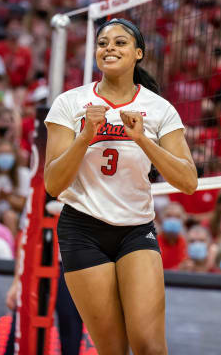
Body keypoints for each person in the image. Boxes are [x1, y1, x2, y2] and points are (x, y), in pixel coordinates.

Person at [44, 18, 197, 355]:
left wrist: (143, 139)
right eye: (102, 43)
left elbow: (188, 181)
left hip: (135, 229)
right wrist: (85, 136)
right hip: (82, 228)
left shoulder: (159, 109)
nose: (109, 47)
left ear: (138, 53)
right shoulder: (69, 103)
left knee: (149, 346)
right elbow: (53, 184)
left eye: (120, 42)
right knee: (112, 349)